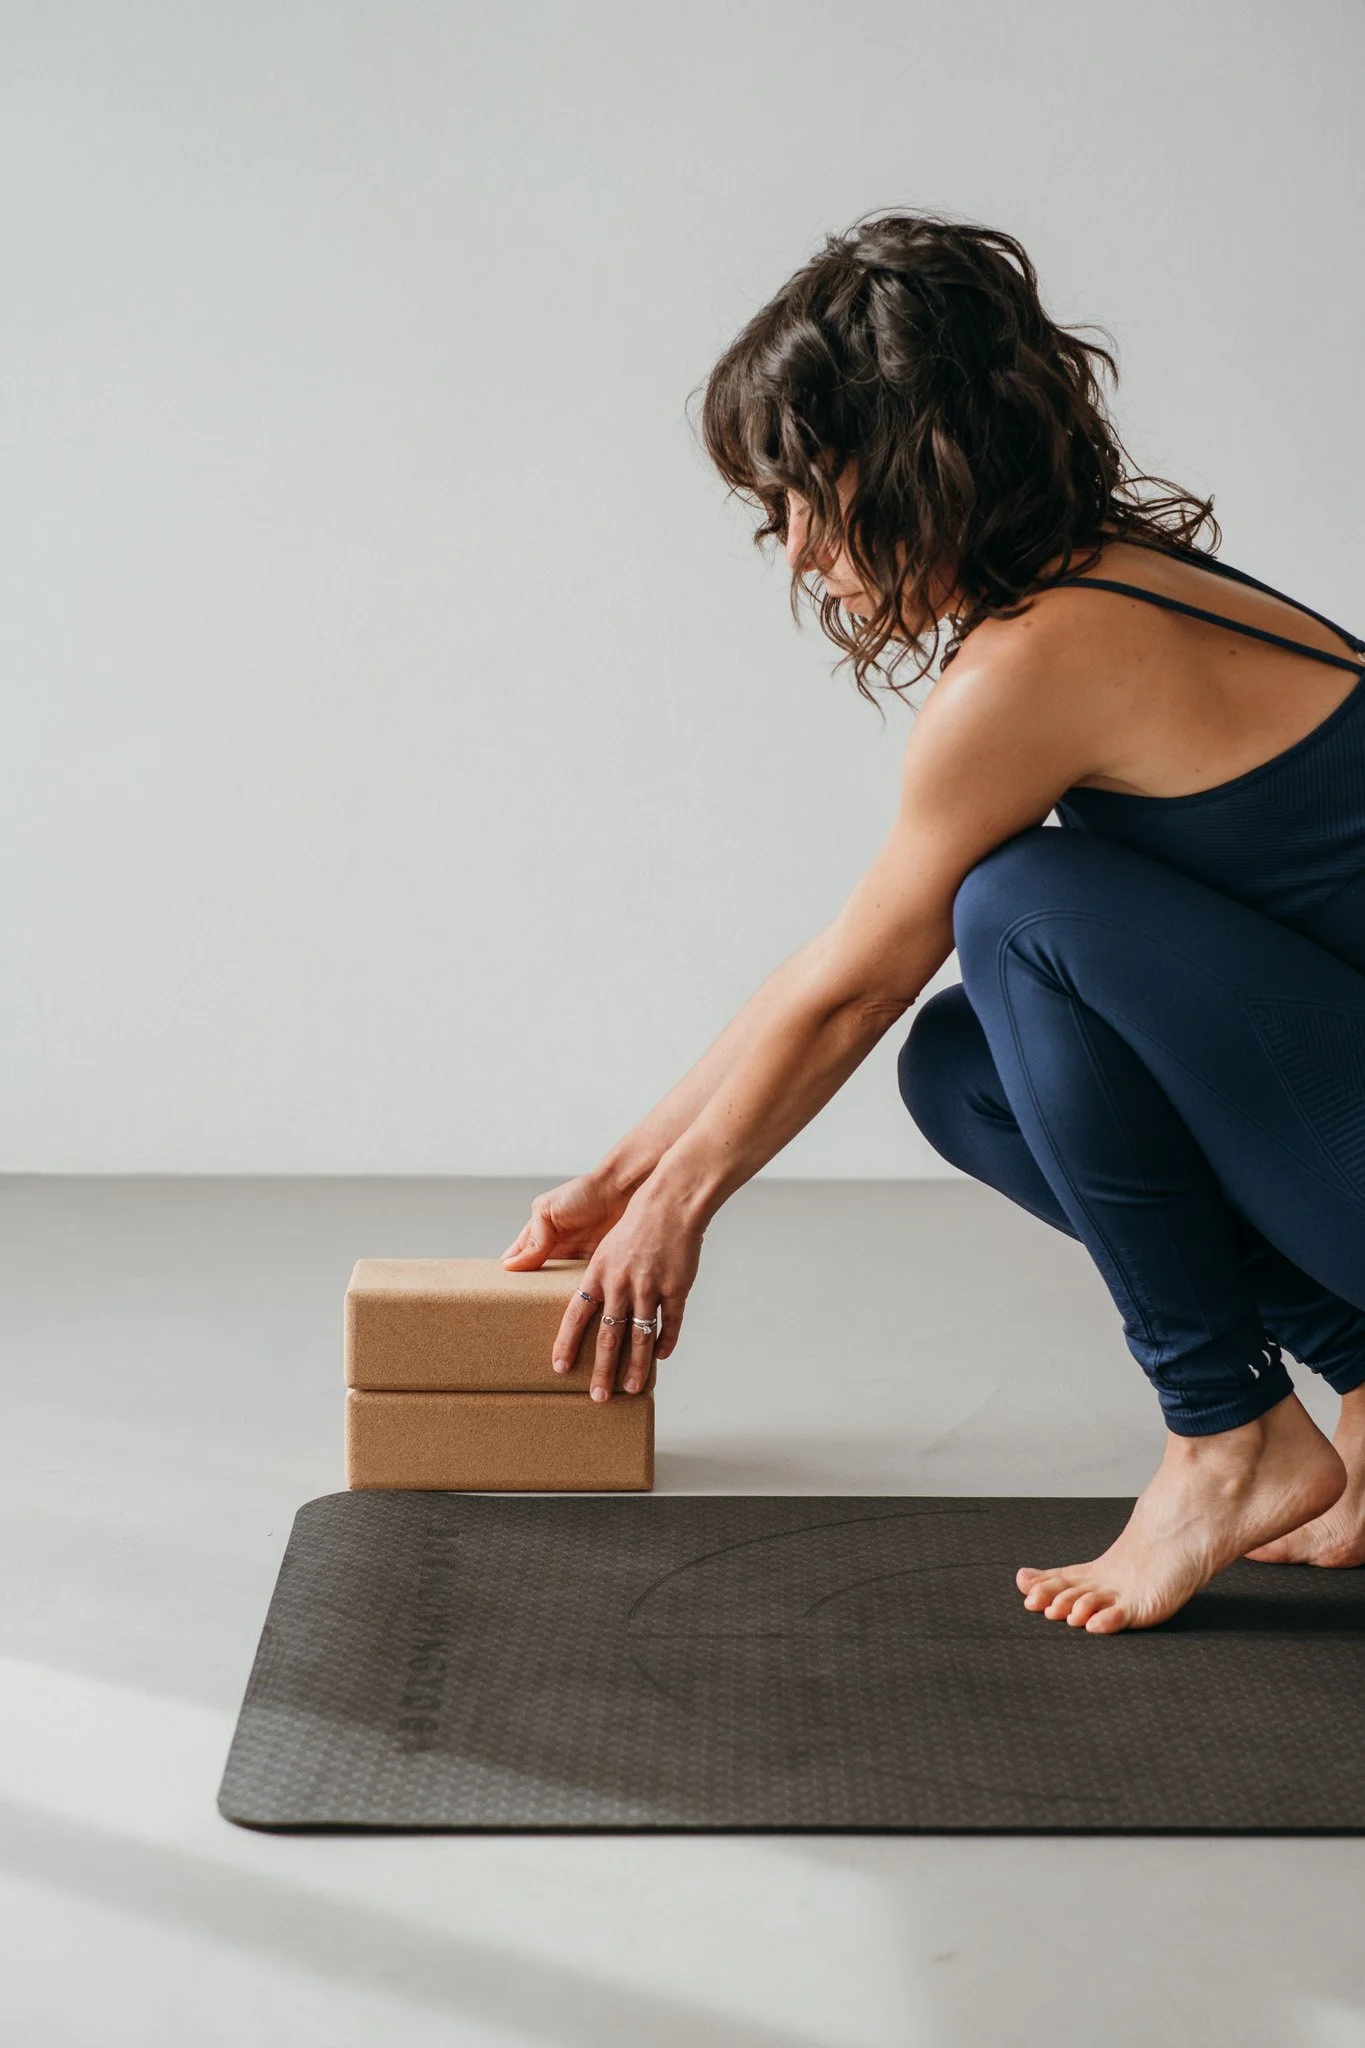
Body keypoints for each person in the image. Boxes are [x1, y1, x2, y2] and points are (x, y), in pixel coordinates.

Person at [501, 210, 1365, 1633]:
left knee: (1020, 906)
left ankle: (1227, 1436)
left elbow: (855, 981)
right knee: (967, 1064)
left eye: (795, 497)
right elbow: (843, 961)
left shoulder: (1043, 659)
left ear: (901, 459)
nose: (787, 550)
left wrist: (679, 1206)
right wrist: (624, 1173)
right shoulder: (1109, 583)